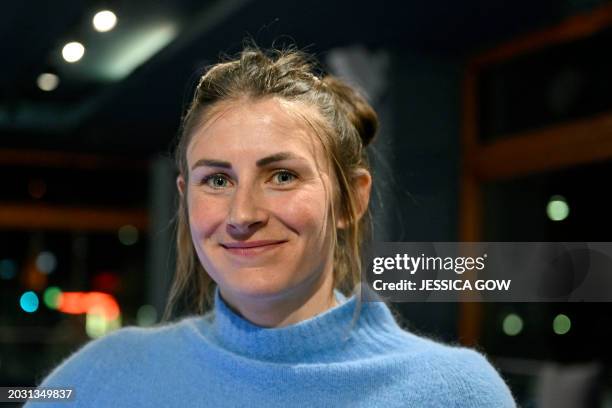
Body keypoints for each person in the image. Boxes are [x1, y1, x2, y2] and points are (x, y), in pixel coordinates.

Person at [29, 46, 516, 407]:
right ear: (185, 196)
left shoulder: (457, 394)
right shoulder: (104, 375)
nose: (243, 215)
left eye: (282, 176)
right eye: (217, 179)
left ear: (353, 198)